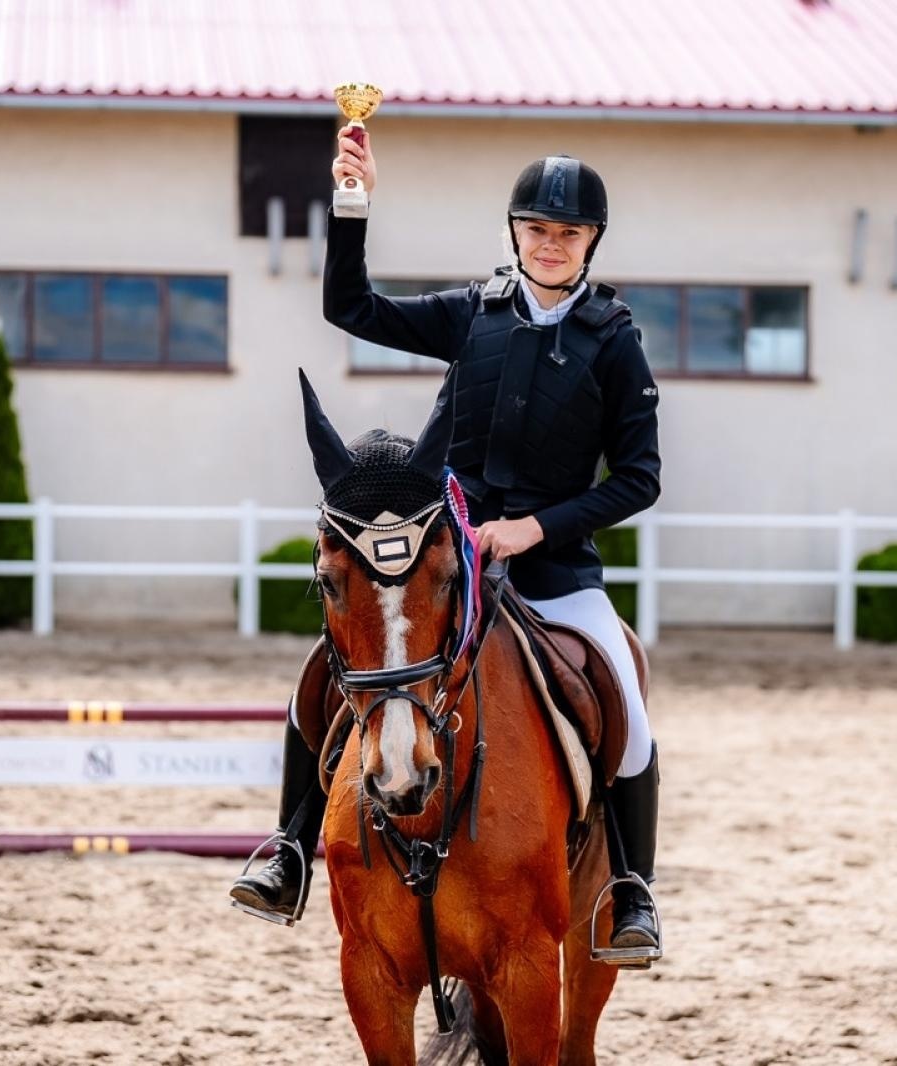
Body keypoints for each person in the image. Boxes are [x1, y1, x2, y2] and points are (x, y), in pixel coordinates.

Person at [229, 131, 663, 963]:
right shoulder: (474, 313)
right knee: (323, 674)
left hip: (555, 572)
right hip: (447, 563)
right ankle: (287, 850)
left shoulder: (614, 342)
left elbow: (638, 480)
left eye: (568, 234)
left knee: (630, 714)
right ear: (514, 233)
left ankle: (631, 892)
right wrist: (352, 204)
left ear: (590, 244)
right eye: (537, 228)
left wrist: (536, 528)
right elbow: (351, 309)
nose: (550, 243)